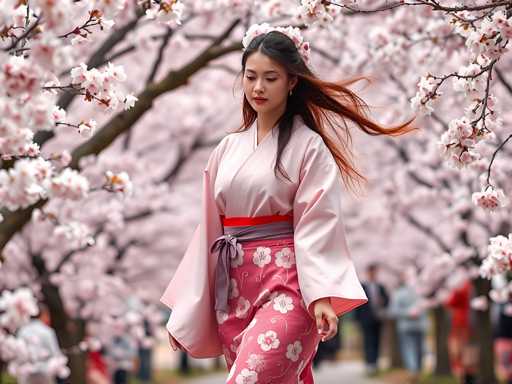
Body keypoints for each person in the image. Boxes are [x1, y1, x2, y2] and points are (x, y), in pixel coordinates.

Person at [160, 23, 415, 383]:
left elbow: (318, 222)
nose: (258, 87)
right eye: (251, 77)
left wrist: (320, 295)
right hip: (233, 290)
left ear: (292, 81)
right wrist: (185, 311)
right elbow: (209, 230)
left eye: (271, 78)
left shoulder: (309, 147)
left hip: (289, 287)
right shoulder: (227, 149)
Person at [388, 273, 428, 384]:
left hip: (408, 326)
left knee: (410, 349)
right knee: (417, 349)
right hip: (417, 326)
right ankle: (416, 371)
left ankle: (413, 370)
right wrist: (412, 312)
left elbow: (393, 311)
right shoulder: (421, 292)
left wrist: (407, 313)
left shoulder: (400, 293)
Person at [354, 263, 389, 375]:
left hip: (378, 318)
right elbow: (358, 304)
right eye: (371, 272)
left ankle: (375, 362)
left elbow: (387, 300)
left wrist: (383, 303)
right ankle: (369, 363)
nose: (373, 274)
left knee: (377, 341)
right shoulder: (362, 286)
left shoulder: (381, 287)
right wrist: (357, 319)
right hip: (366, 319)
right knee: (368, 340)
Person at [17, 304, 63, 384]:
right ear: (44, 314)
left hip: (26, 372)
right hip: (45, 372)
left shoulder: (22, 331)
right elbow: (55, 354)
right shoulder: (47, 331)